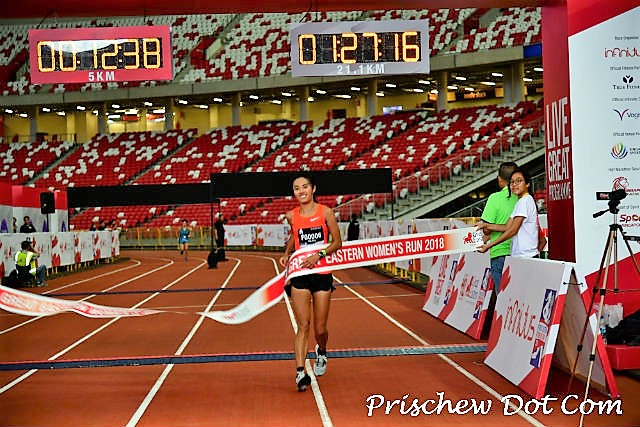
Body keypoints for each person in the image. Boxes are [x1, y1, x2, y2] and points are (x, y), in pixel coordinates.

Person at [279, 172, 342, 392]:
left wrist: (319, 255)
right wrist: (287, 253)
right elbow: (295, 236)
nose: (301, 191)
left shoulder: (326, 212)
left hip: (322, 273)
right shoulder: (291, 215)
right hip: (300, 275)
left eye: (305, 186)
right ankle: (300, 372)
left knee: (320, 329)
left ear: (313, 189)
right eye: (297, 188)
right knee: (303, 325)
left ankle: (321, 351)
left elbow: (337, 242)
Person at [478, 167, 546, 259]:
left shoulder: (524, 201)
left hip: (526, 257)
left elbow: (513, 230)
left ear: (527, 184)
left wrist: (489, 245)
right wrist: (485, 225)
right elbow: (507, 227)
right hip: (521, 256)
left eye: (519, 181)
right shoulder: (521, 201)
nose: (514, 185)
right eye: (512, 182)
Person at [476, 161, 518, 292]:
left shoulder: (494, 198)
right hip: (519, 251)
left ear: (499, 179)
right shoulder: (522, 197)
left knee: (503, 295)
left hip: (499, 251)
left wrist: (482, 237)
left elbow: (486, 229)